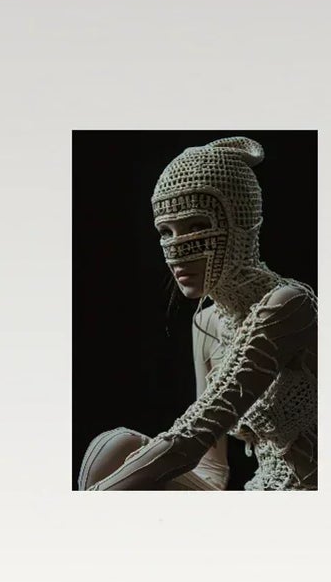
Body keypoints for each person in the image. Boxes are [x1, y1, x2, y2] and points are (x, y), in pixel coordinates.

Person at [78, 136, 317, 494]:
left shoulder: (289, 304)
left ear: (240, 223)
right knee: (115, 447)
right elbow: (209, 461)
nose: (176, 249)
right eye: (165, 231)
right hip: (255, 493)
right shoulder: (205, 323)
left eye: (195, 227)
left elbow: (196, 431)